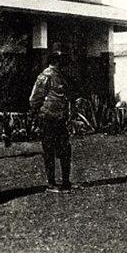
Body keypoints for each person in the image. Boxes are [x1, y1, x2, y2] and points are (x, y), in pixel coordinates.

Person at [29, 46, 73, 193]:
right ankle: (51, 184)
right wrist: (37, 115)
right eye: (62, 61)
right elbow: (35, 99)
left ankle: (66, 182)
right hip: (48, 118)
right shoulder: (46, 76)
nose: (65, 63)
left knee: (65, 150)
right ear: (56, 61)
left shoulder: (59, 75)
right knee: (49, 151)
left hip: (59, 119)